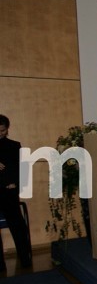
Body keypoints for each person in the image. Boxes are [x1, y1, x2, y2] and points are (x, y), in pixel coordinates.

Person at [0, 114, 32, 271]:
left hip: (9, 191)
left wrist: (16, 184)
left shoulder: (14, 146)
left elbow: (22, 169)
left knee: (17, 225)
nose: (0, 133)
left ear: (7, 130)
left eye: (2, 130)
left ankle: (25, 259)